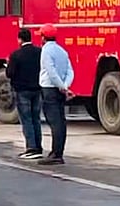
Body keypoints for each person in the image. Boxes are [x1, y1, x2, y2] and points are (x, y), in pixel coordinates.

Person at [38, 23, 74, 165]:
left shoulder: (46, 51)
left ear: (43, 37)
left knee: (54, 122)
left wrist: (61, 86)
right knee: (61, 121)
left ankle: (56, 154)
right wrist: (65, 86)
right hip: (59, 89)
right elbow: (70, 70)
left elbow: (51, 72)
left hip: (49, 88)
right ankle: (58, 152)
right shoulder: (62, 51)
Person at [7, 28, 43, 159]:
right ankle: (38, 146)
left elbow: (9, 73)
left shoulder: (16, 55)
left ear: (19, 39)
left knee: (26, 119)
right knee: (36, 118)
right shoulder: (39, 52)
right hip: (37, 89)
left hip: (22, 90)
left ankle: (31, 147)